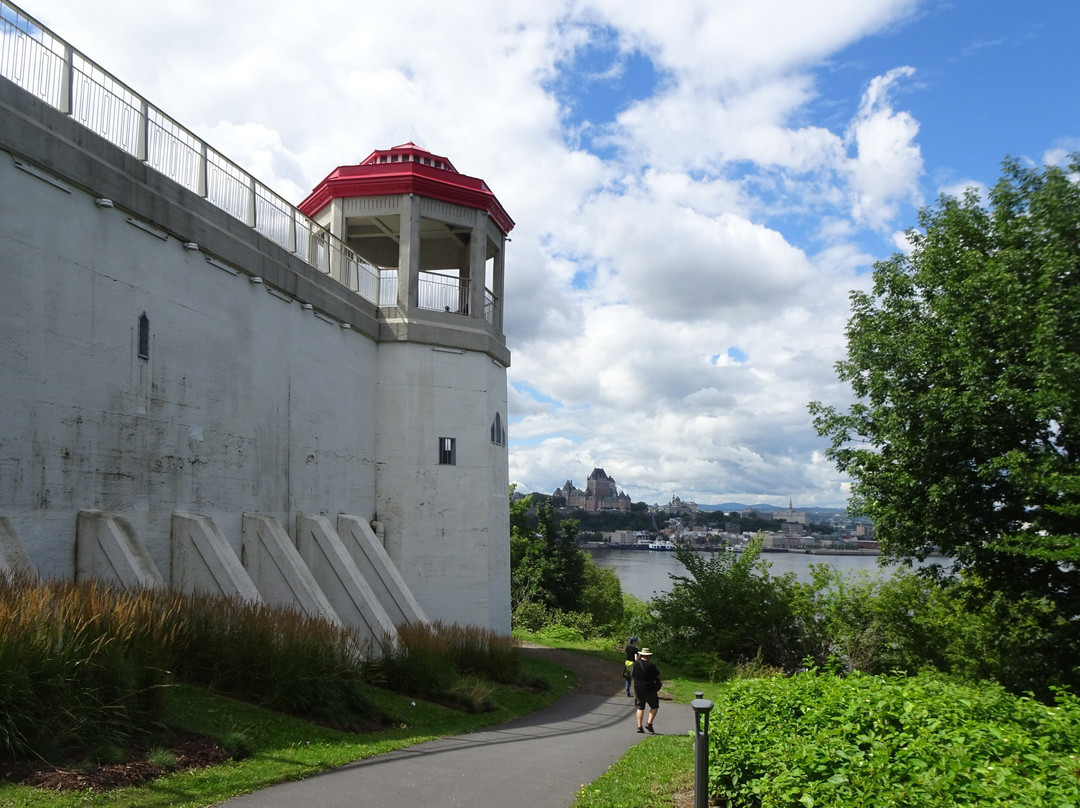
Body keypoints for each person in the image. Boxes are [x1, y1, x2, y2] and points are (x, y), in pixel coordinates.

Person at [632, 648, 661, 733]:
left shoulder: (635, 664)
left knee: (640, 707)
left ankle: (639, 727)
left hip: (638, 688)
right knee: (654, 706)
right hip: (649, 688)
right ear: (648, 656)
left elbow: (633, 675)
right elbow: (658, 675)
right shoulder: (651, 665)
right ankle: (649, 723)